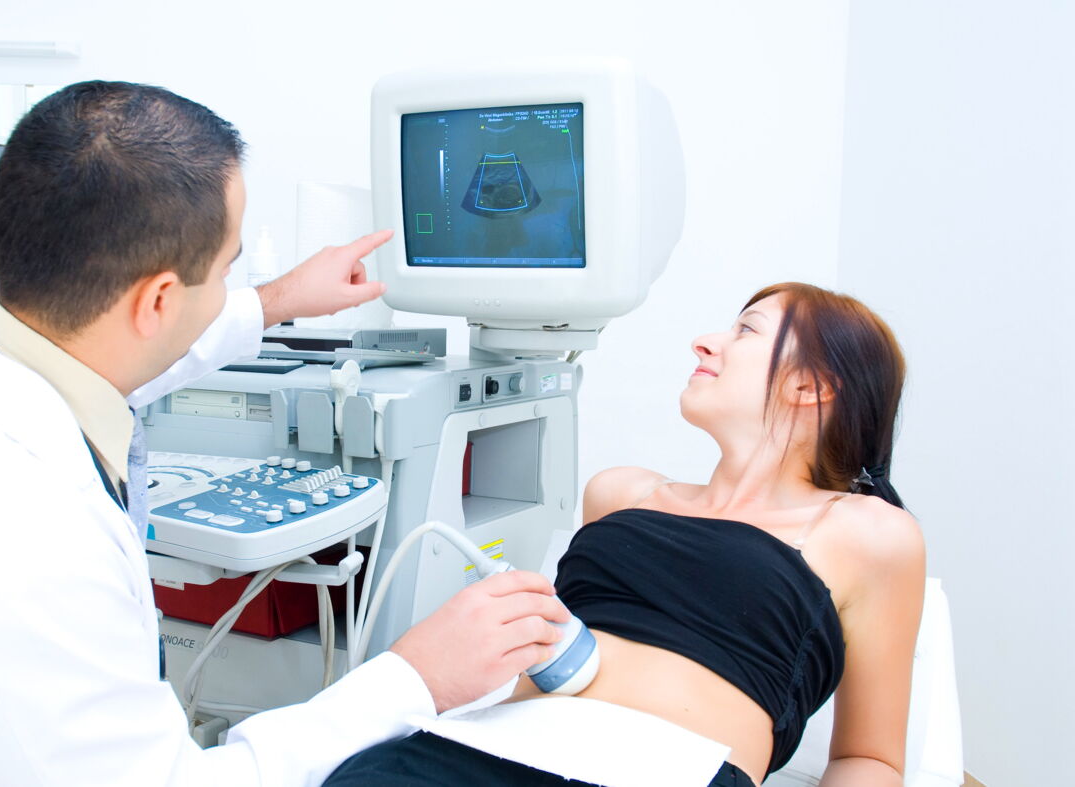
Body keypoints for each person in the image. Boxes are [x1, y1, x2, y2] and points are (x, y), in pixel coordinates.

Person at [0, 81, 569, 786]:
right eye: (227, 268)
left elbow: (130, 357)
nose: (231, 285)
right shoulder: (17, 553)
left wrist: (279, 299)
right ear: (155, 300)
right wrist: (414, 676)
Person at [326, 283, 926, 787]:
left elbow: (868, 758)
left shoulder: (868, 533)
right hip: (469, 751)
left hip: (668, 769)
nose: (705, 342)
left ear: (811, 386)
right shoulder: (621, 491)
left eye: (746, 331)